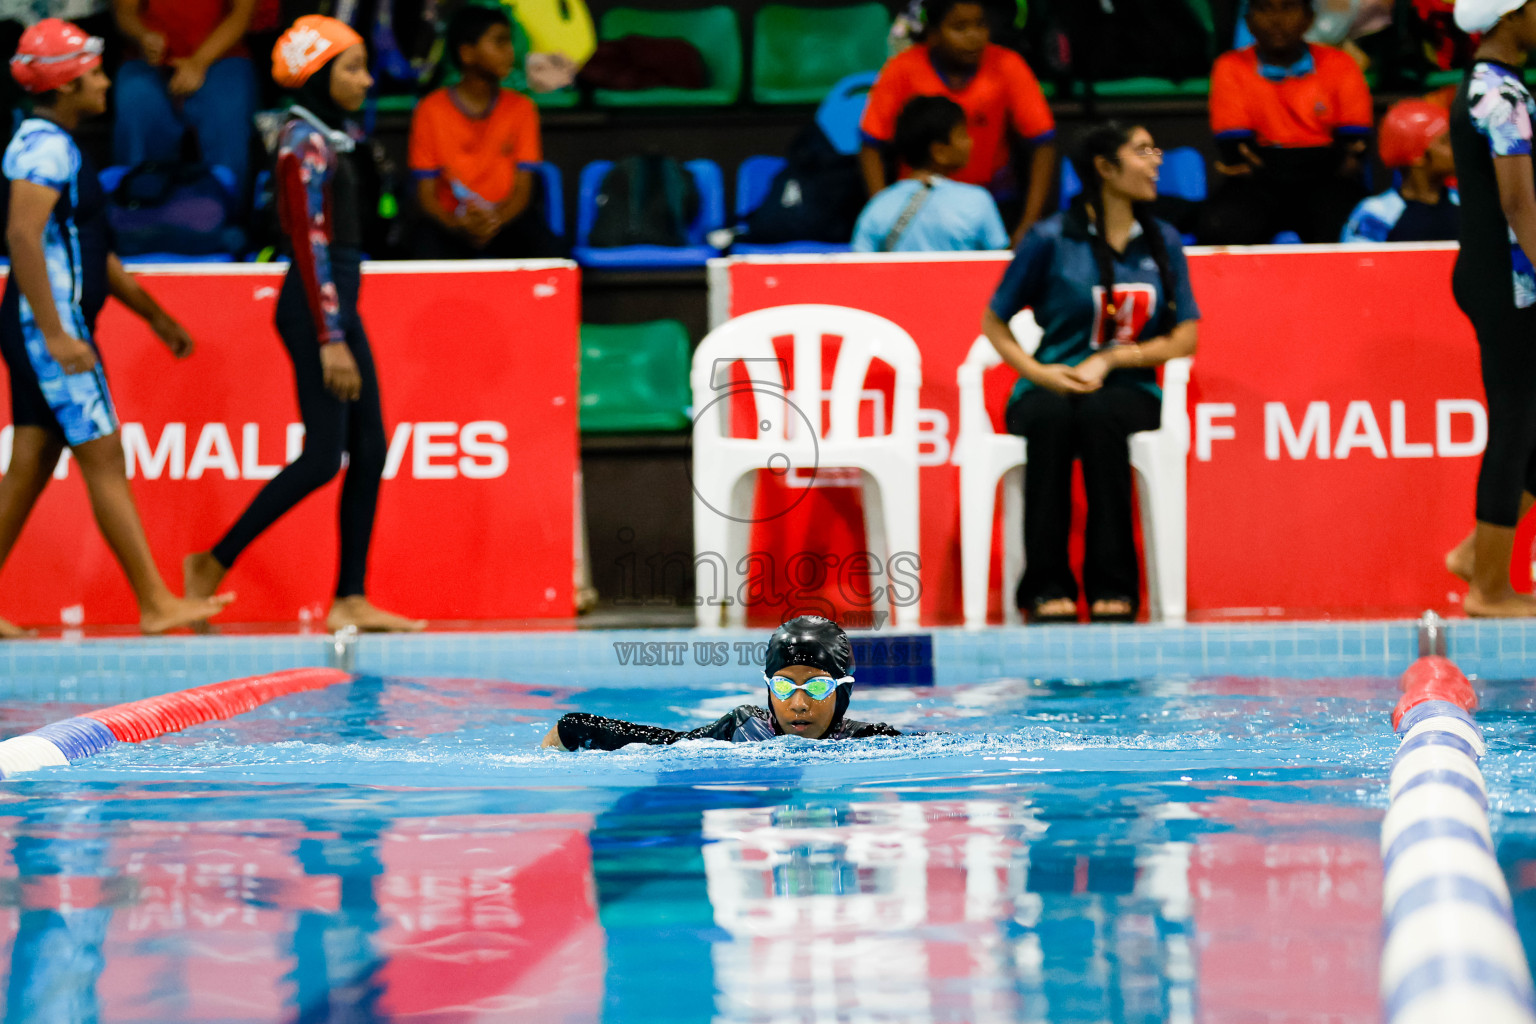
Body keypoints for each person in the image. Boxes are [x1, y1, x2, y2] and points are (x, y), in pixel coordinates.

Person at [182, 16, 424, 634]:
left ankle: (349, 596)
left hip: (337, 305)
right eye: (352, 67)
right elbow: (309, 245)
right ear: (317, 75)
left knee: (370, 446)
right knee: (323, 455)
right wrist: (330, 338)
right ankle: (212, 560)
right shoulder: (302, 142)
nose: (366, 79)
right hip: (317, 308)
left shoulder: (330, 134)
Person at [0, 19, 234, 637]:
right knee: (104, 456)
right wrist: (53, 333)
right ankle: (156, 602)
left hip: (45, 325)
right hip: (48, 328)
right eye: (96, 74)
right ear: (68, 84)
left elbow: (89, 247)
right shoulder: (43, 147)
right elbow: (22, 236)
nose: (107, 83)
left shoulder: (56, 144)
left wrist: (153, 314)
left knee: (29, 463)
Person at [981, 124, 1200, 624]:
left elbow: (1185, 337)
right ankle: (1045, 587)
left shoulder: (1162, 239)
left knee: (1102, 416)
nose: (1156, 160)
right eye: (1143, 150)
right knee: (1051, 418)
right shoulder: (1050, 238)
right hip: (1051, 381)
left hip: (1129, 388)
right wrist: (1038, 372)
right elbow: (994, 322)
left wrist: (1112, 359)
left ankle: (1114, 587)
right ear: (1104, 167)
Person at [1441, 0, 1536, 616]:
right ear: (1510, 17)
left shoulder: (1489, 87)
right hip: (1512, 282)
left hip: (1500, 276)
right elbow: (1518, 201)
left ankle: (1477, 554)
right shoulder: (1499, 95)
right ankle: (1488, 589)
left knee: (1530, 422)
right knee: (1514, 424)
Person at [859, 0, 1056, 246]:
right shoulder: (902, 69)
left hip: (996, 201)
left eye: (980, 25)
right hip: (916, 206)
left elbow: (1043, 142)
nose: (974, 36)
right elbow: (871, 145)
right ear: (933, 34)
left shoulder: (1008, 65)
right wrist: (885, 209)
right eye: (959, 27)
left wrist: (1029, 224)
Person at [542, 616, 900, 750]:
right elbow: (668, 745)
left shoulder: (867, 741)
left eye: (818, 688)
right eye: (784, 687)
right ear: (768, 688)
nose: (799, 704)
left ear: (843, 692)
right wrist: (576, 727)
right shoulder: (745, 728)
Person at [1199, 0, 1373, 245]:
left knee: (1351, 230)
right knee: (1218, 228)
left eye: (1288, 7)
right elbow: (1237, 155)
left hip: (1329, 187)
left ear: (1309, 18)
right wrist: (1323, 158)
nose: (1276, 19)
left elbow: (1353, 150)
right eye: (1264, 8)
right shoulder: (1230, 67)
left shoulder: (1340, 64)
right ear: (1248, 22)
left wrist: (1271, 161)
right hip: (1256, 188)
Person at [409, 3, 556, 260]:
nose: (510, 52)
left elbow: (523, 190)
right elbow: (426, 194)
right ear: (467, 53)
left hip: (507, 221)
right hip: (451, 224)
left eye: (509, 42)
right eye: (499, 42)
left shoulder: (522, 108)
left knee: (549, 250)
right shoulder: (430, 110)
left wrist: (493, 222)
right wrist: (458, 225)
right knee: (419, 247)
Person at [111, 0, 259, 200]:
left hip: (223, 56)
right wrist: (143, 36)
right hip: (147, 61)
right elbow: (125, 12)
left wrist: (199, 62)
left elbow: (241, 15)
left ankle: (226, 218)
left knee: (227, 124)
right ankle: (137, 214)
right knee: (136, 109)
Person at [852, 95, 1009, 252]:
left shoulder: (879, 204)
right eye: (962, 134)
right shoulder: (977, 201)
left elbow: (859, 265)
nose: (970, 141)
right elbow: (1002, 264)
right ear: (939, 152)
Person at [1341, 98, 1461, 243]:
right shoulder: (1376, 214)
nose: (1456, 149)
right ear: (1417, 155)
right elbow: (1359, 263)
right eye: (1446, 141)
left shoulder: (1466, 205)